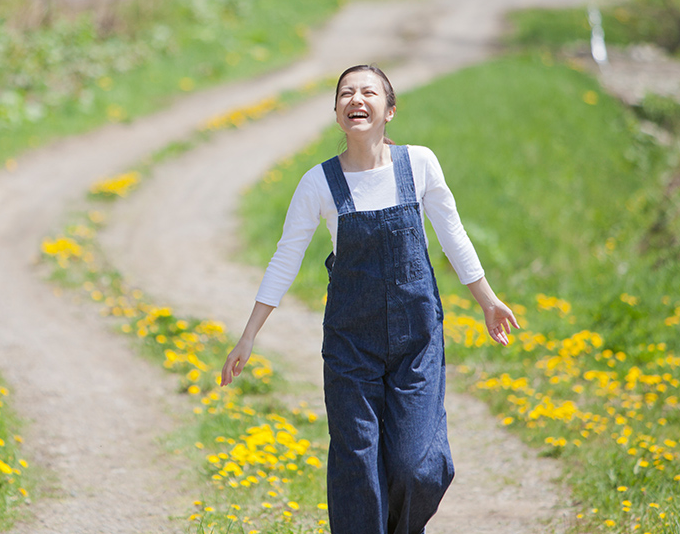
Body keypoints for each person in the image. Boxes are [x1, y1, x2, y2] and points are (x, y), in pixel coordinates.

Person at [220, 64, 519, 534]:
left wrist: (487, 300)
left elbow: (451, 233)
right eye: (345, 93)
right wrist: (249, 335)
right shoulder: (317, 183)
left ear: (390, 110)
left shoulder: (419, 164)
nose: (355, 99)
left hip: (416, 342)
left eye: (367, 92)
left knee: (417, 467)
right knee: (357, 469)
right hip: (350, 347)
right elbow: (285, 258)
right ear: (338, 113)